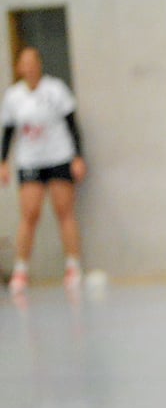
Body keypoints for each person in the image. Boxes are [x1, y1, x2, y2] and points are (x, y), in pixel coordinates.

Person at [1, 46, 86, 293]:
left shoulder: (55, 89)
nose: (29, 67)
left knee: (64, 210)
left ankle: (73, 266)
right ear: (19, 68)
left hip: (58, 156)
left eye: (32, 62)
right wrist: (3, 161)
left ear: (39, 64)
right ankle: (21, 271)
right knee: (29, 213)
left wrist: (78, 156)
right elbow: (8, 131)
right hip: (30, 161)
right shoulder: (13, 96)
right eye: (24, 63)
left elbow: (72, 123)